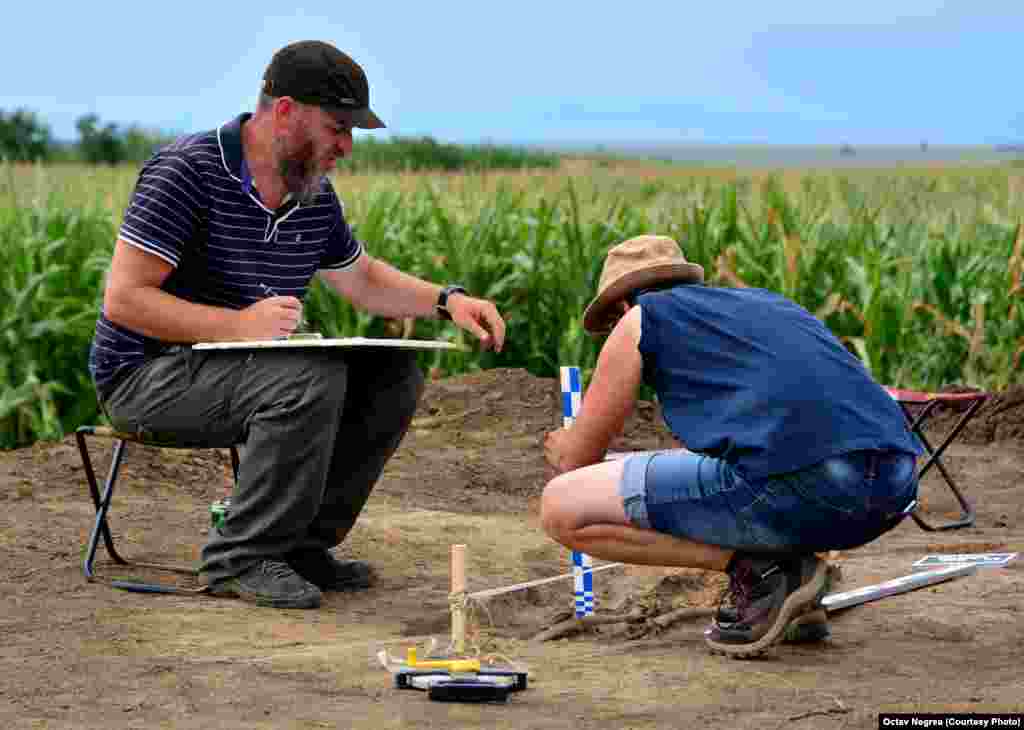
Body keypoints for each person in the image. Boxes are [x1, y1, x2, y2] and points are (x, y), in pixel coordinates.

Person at [88, 40, 505, 609]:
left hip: (230, 370)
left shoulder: (311, 194)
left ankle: (300, 546)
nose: (347, 146)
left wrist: (448, 300)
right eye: (338, 127)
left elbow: (361, 279)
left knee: (394, 373)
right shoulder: (186, 172)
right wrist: (239, 325)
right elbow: (125, 301)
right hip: (145, 377)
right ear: (285, 112)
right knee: (309, 378)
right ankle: (240, 558)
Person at [540, 235, 921, 657]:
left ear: (621, 306)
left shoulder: (641, 319)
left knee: (561, 507)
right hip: (894, 486)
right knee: (753, 464)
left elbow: (578, 459)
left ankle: (766, 572)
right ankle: (797, 599)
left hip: (815, 486)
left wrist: (564, 446)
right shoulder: (770, 304)